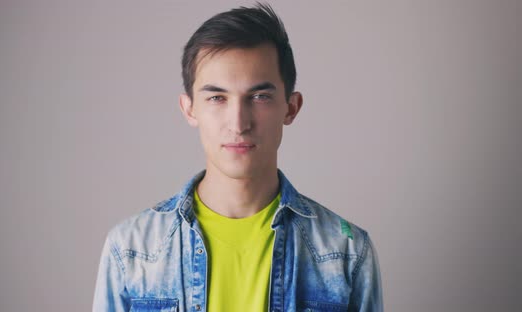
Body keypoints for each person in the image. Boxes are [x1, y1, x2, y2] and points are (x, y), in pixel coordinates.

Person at [92, 3, 382, 311]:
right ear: (189, 108)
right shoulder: (130, 250)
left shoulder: (348, 252)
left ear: (291, 107)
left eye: (259, 97)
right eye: (217, 97)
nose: (239, 123)